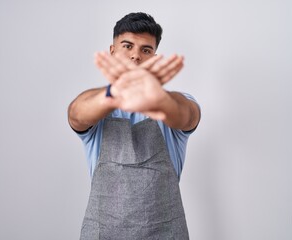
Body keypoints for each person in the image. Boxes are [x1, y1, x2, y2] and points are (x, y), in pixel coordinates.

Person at [68, 12, 201, 239]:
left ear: (154, 58)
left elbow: (187, 115)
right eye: (127, 46)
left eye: (145, 50)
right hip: (102, 233)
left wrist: (159, 99)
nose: (136, 57)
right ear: (112, 52)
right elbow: (76, 114)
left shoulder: (171, 105)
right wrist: (115, 93)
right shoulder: (97, 105)